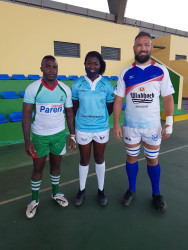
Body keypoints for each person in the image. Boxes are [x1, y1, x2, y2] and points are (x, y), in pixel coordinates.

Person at [113, 31, 175, 211]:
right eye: (139, 45)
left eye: (146, 44)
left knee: (152, 159)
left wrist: (169, 122)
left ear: (151, 48)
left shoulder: (161, 71)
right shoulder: (126, 72)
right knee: (131, 158)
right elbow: (118, 99)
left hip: (152, 127)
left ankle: (156, 193)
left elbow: (168, 98)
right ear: (134, 48)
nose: (143, 48)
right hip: (131, 127)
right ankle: (131, 190)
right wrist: (116, 123)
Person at [22, 55, 76, 218]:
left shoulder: (65, 89)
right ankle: (34, 200)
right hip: (39, 136)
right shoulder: (33, 88)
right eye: (48, 66)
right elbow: (26, 116)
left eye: (54, 67)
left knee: (56, 167)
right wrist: (27, 140)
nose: (51, 70)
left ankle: (55, 193)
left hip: (59, 136)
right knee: (38, 168)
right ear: (41, 69)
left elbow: (69, 114)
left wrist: (72, 135)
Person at [72, 51, 114, 206]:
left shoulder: (107, 85)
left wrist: (98, 118)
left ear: (100, 65)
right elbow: (75, 106)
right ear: (84, 64)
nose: (92, 66)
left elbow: (109, 108)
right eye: (89, 63)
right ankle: (81, 190)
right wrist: (85, 118)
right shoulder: (77, 83)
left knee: (99, 158)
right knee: (84, 159)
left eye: (95, 63)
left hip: (101, 128)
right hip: (82, 128)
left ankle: (101, 190)